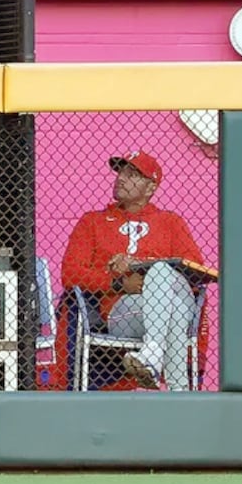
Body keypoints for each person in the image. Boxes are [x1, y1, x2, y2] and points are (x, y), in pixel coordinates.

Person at [56, 151, 206, 391]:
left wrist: (139, 264)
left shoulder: (171, 222)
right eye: (121, 172)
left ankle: (152, 353)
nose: (122, 179)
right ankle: (179, 392)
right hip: (125, 311)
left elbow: (194, 269)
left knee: (161, 272)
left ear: (150, 188)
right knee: (175, 314)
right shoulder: (92, 221)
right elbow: (70, 273)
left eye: (133, 174)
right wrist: (117, 285)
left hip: (172, 299)